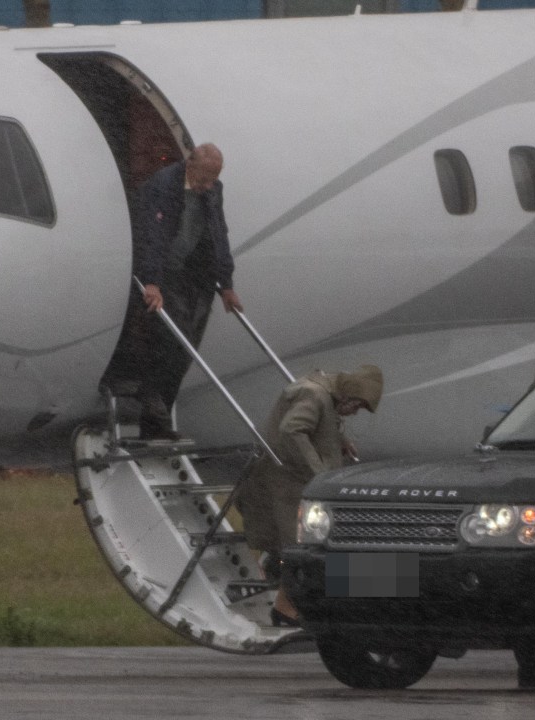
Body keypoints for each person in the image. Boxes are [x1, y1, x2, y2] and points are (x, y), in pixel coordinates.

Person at [237, 365, 384, 625]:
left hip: (297, 483)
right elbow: (292, 429)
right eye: (357, 405)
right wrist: (319, 471)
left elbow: (313, 424)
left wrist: (338, 439)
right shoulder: (315, 395)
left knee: (305, 547)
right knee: (302, 548)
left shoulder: (322, 393)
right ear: (348, 395)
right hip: (290, 484)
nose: (355, 411)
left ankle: (291, 601)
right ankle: (285, 608)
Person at [132, 143, 242, 440]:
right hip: (165, 272)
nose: (208, 186)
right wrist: (151, 280)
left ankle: (158, 419)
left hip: (194, 274)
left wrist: (227, 285)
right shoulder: (163, 185)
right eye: (205, 178)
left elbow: (219, 234)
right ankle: (151, 398)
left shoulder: (212, 189)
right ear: (190, 165)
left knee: (187, 346)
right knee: (170, 338)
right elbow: (151, 236)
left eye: (214, 179)